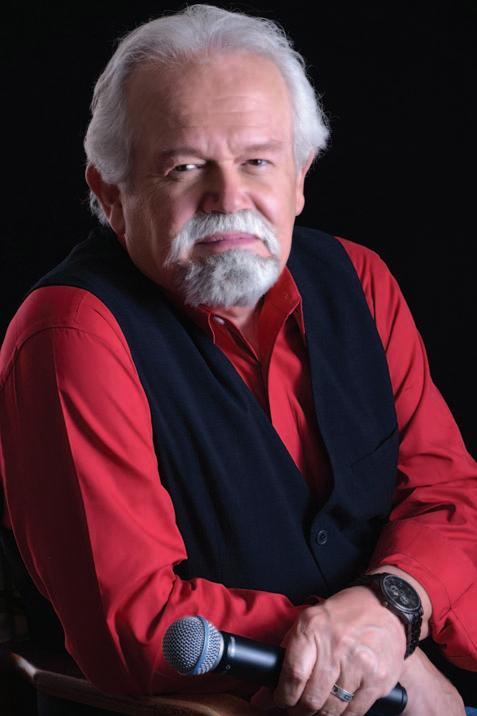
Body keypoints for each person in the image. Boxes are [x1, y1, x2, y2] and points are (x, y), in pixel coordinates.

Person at [1, 5, 476, 716]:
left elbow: (448, 498)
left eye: (257, 161)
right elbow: (137, 625)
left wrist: (392, 610)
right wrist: (373, 659)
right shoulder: (72, 335)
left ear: (300, 177)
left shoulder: (360, 280)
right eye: (185, 167)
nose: (229, 199)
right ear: (110, 194)